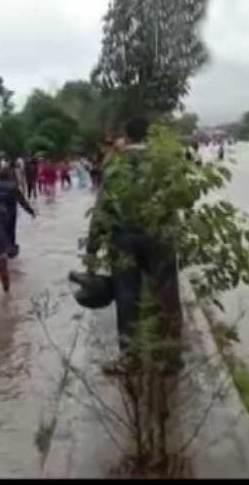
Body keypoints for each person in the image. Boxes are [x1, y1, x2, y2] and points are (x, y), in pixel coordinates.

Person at [83, 116, 182, 372]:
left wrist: (92, 249)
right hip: (159, 234)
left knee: (127, 296)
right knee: (167, 294)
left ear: (126, 136)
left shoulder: (115, 163)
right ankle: (170, 358)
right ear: (149, 136)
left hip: (123, 237)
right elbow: (177, 200)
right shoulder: (164, 162)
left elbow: (102, 205)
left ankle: (131, 359)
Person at [0, 168, 36, 257]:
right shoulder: (13, 186)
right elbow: (22, 201)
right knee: (11, 233)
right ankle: (11, 253)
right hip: (10, 214)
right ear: (9, 176)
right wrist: (30, 211)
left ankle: (0, 251)